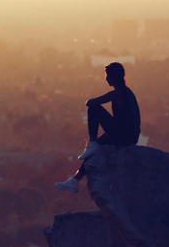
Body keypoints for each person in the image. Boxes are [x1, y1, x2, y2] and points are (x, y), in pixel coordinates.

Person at [55, 62, 141, 193]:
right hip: (128, 135)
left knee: (93, 109)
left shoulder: (117, 93)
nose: (106, 78)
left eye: (107, 75)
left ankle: (92, 142)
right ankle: (75, 180)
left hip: (123, 135)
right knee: (94, 151)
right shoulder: (127, 92)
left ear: (112, 77)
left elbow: (89, 102)